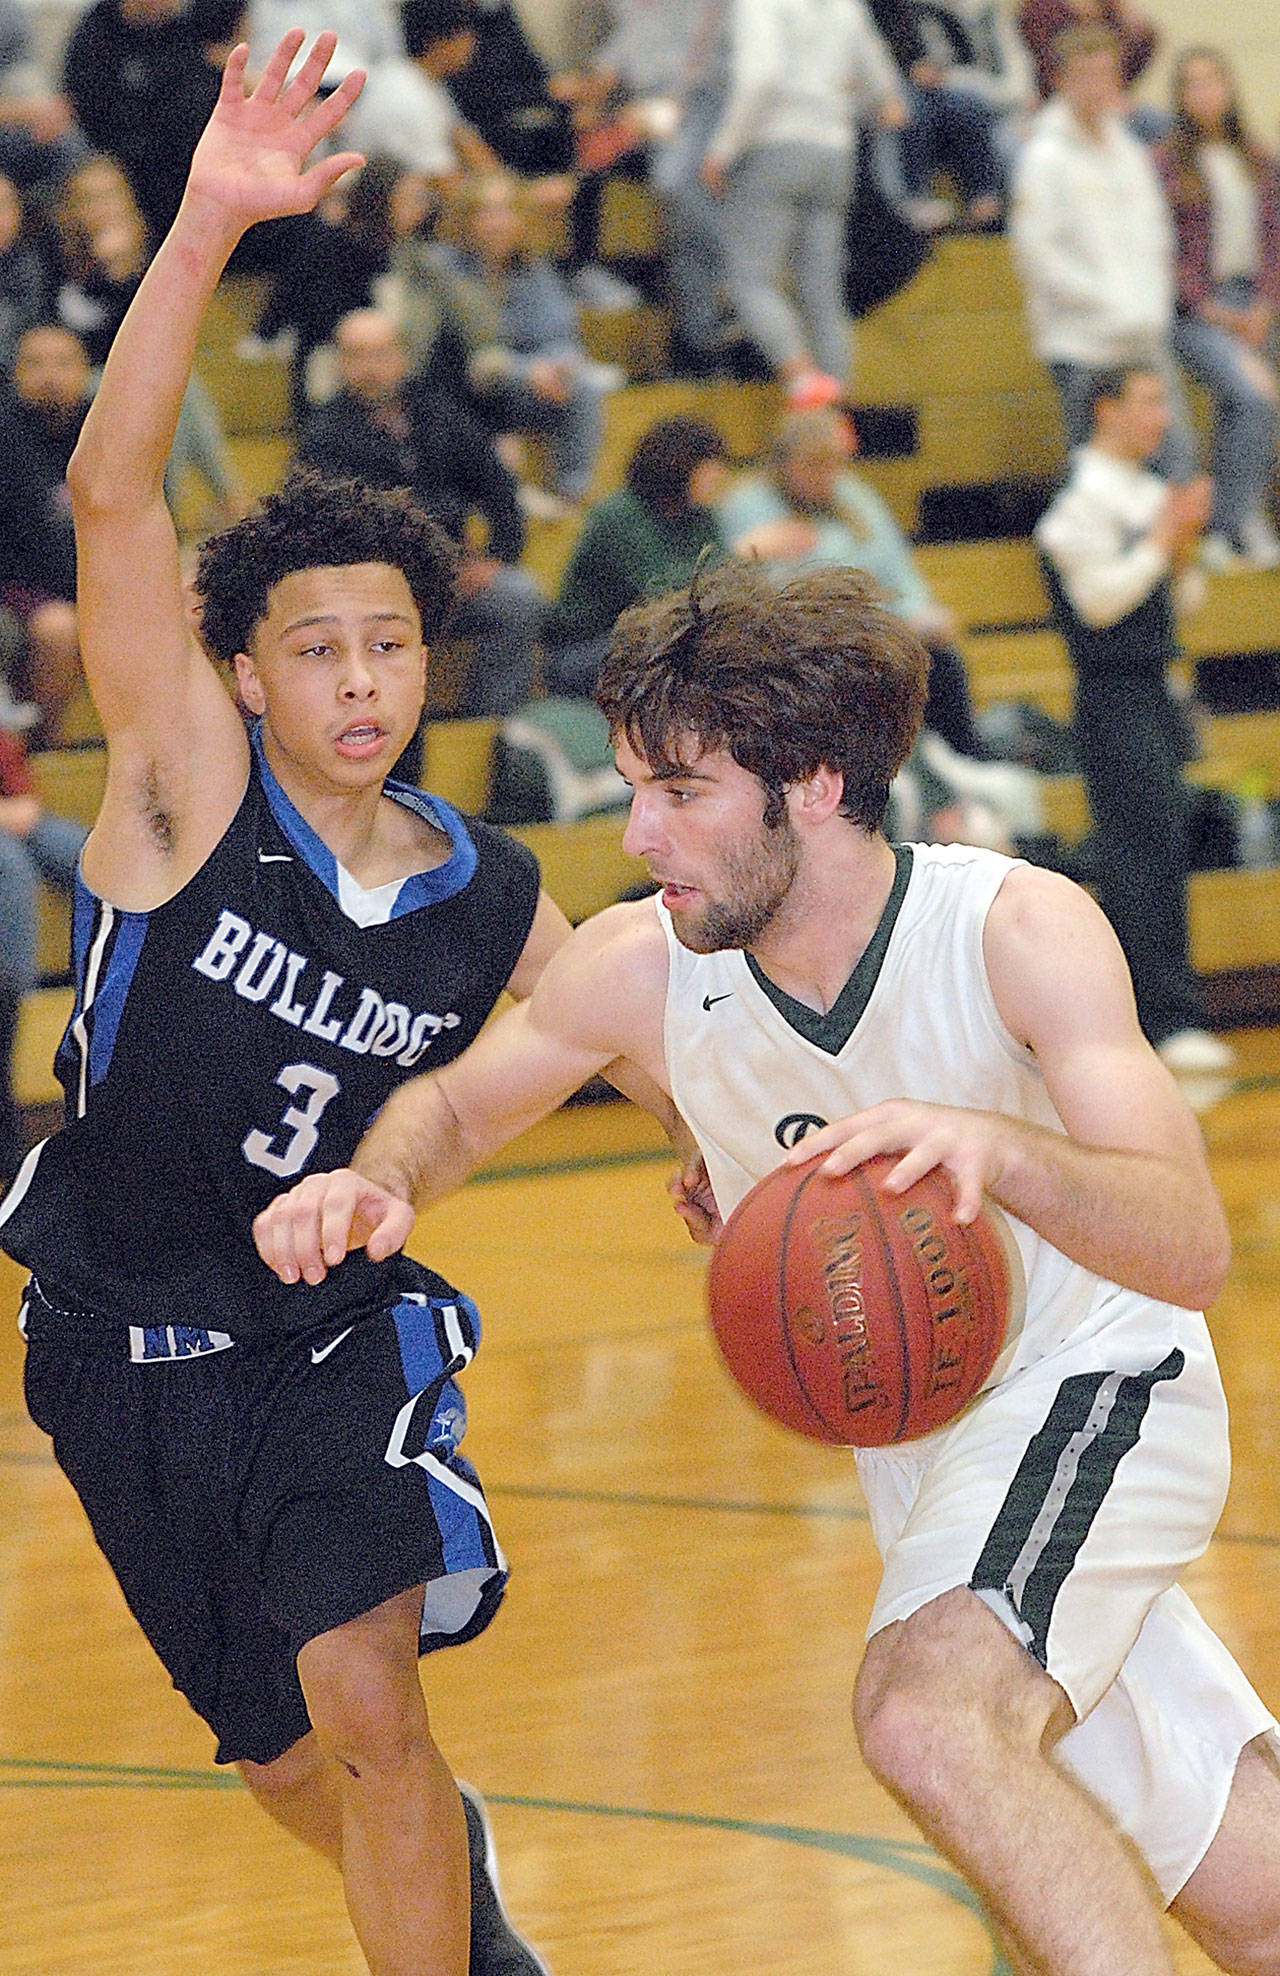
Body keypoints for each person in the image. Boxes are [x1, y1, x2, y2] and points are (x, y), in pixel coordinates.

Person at [254, 551, 1280, 1975]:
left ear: (810, 784)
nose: (640, 833)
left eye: (681, 793)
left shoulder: (1012, 931)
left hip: (1099, 1391)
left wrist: (995, 1148)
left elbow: (1189, 1245)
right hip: (935, 1462)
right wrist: (375, 1182)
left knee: (927, 1720)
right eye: (635, 789)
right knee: (1252, 1893)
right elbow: (459, 1106)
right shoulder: (644, 966)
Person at [0, 32, 593, 1976]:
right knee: (279, 1762)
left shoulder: (488, 888)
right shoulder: (185, 791)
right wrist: (204, 225)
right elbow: (112, 502)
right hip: (114, 1339)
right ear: (245, 676)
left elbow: (626, 1015)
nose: (358, 680)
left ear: (428, 663)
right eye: (315, 648)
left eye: (389, 644)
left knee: (366, 1700)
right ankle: (452, 1890)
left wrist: (728, 1154)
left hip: (331, 1331)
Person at [1035, 362, 1233, 1075]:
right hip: (1110, 694)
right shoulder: (1078, 501)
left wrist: (1181, 546)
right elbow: (1098, 604)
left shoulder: (1150, 493)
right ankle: (1156, 1018)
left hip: (1158, 688)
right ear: (1106, 409)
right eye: (1149, 401)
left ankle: (1172, 1012)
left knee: (1167, 844)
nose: (1163, 418)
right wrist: (1159, 541)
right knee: (1136, 854)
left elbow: (1185, 601)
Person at [297, 306, 546, 716]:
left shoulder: (439, 413)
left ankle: (494, 725)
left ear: (402, 357)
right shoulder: (324, 437)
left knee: (518, 597)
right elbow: (347, 526)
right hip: (374, 591)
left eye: (380, 354)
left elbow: (499, 487)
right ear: (340, 364)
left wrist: (498, 556)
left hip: (453, 581)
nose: (370, 368)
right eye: (357, 356)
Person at [1008, 25, 1197, 478]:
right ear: (1061, 80)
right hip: (1083, 343)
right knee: (1100, 473)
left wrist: (1149, 306)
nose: (1096, 87)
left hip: (1143, 335)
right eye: (1085, 76)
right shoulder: (1044, 157)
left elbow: (1156, 237)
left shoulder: (1128, 150)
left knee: (1177, 464)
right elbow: (1037, 256)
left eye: (1105, 75)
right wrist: (1107, 304)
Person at [700, 0, 907, 407]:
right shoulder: (845, 6)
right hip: (834, 152)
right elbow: (883, 88)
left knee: (750, 280)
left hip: (774, 146)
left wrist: (723, 149)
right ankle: (834, 413)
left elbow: (759, 77)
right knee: (822, 294)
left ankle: (804, 383)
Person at [1156, 47, 1280, 571]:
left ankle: (1250, 512)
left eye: (1212, 81)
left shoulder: (1257, 158)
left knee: (1257, 400)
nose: (1204, 92)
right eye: (1192, 84)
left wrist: (1265, 303)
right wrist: (1213, 310)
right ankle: (1229, 525)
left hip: (1255, 301)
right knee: (1251, 395)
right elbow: (1164, 250)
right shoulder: (1166, 164)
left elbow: (1273, 239)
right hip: (1197, 311)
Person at [543, 412, 730, 695]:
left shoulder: (701, 517)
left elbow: (723, 581)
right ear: (681, 467)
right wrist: (735, 558)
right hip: (586, 651)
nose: (718, 476)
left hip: (652, 639)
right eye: (709, 467)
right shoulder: (619, 515)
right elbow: (659, 591)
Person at [0, 722, 86, 1183]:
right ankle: (16, 995)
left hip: (13, 820)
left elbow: (24, 797)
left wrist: (17, 807)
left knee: (89, 852)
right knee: (11, 867)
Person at [0, 320, 92, 742]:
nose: (50, 376)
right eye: (36, 364)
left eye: (63, 363)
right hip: (19, 586)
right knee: (58, 628)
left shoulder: (105, 430)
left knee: (190, 610)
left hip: (98, 585)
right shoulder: (7, 434)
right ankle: (43, 747)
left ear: (86, 370)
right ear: (16, 374)